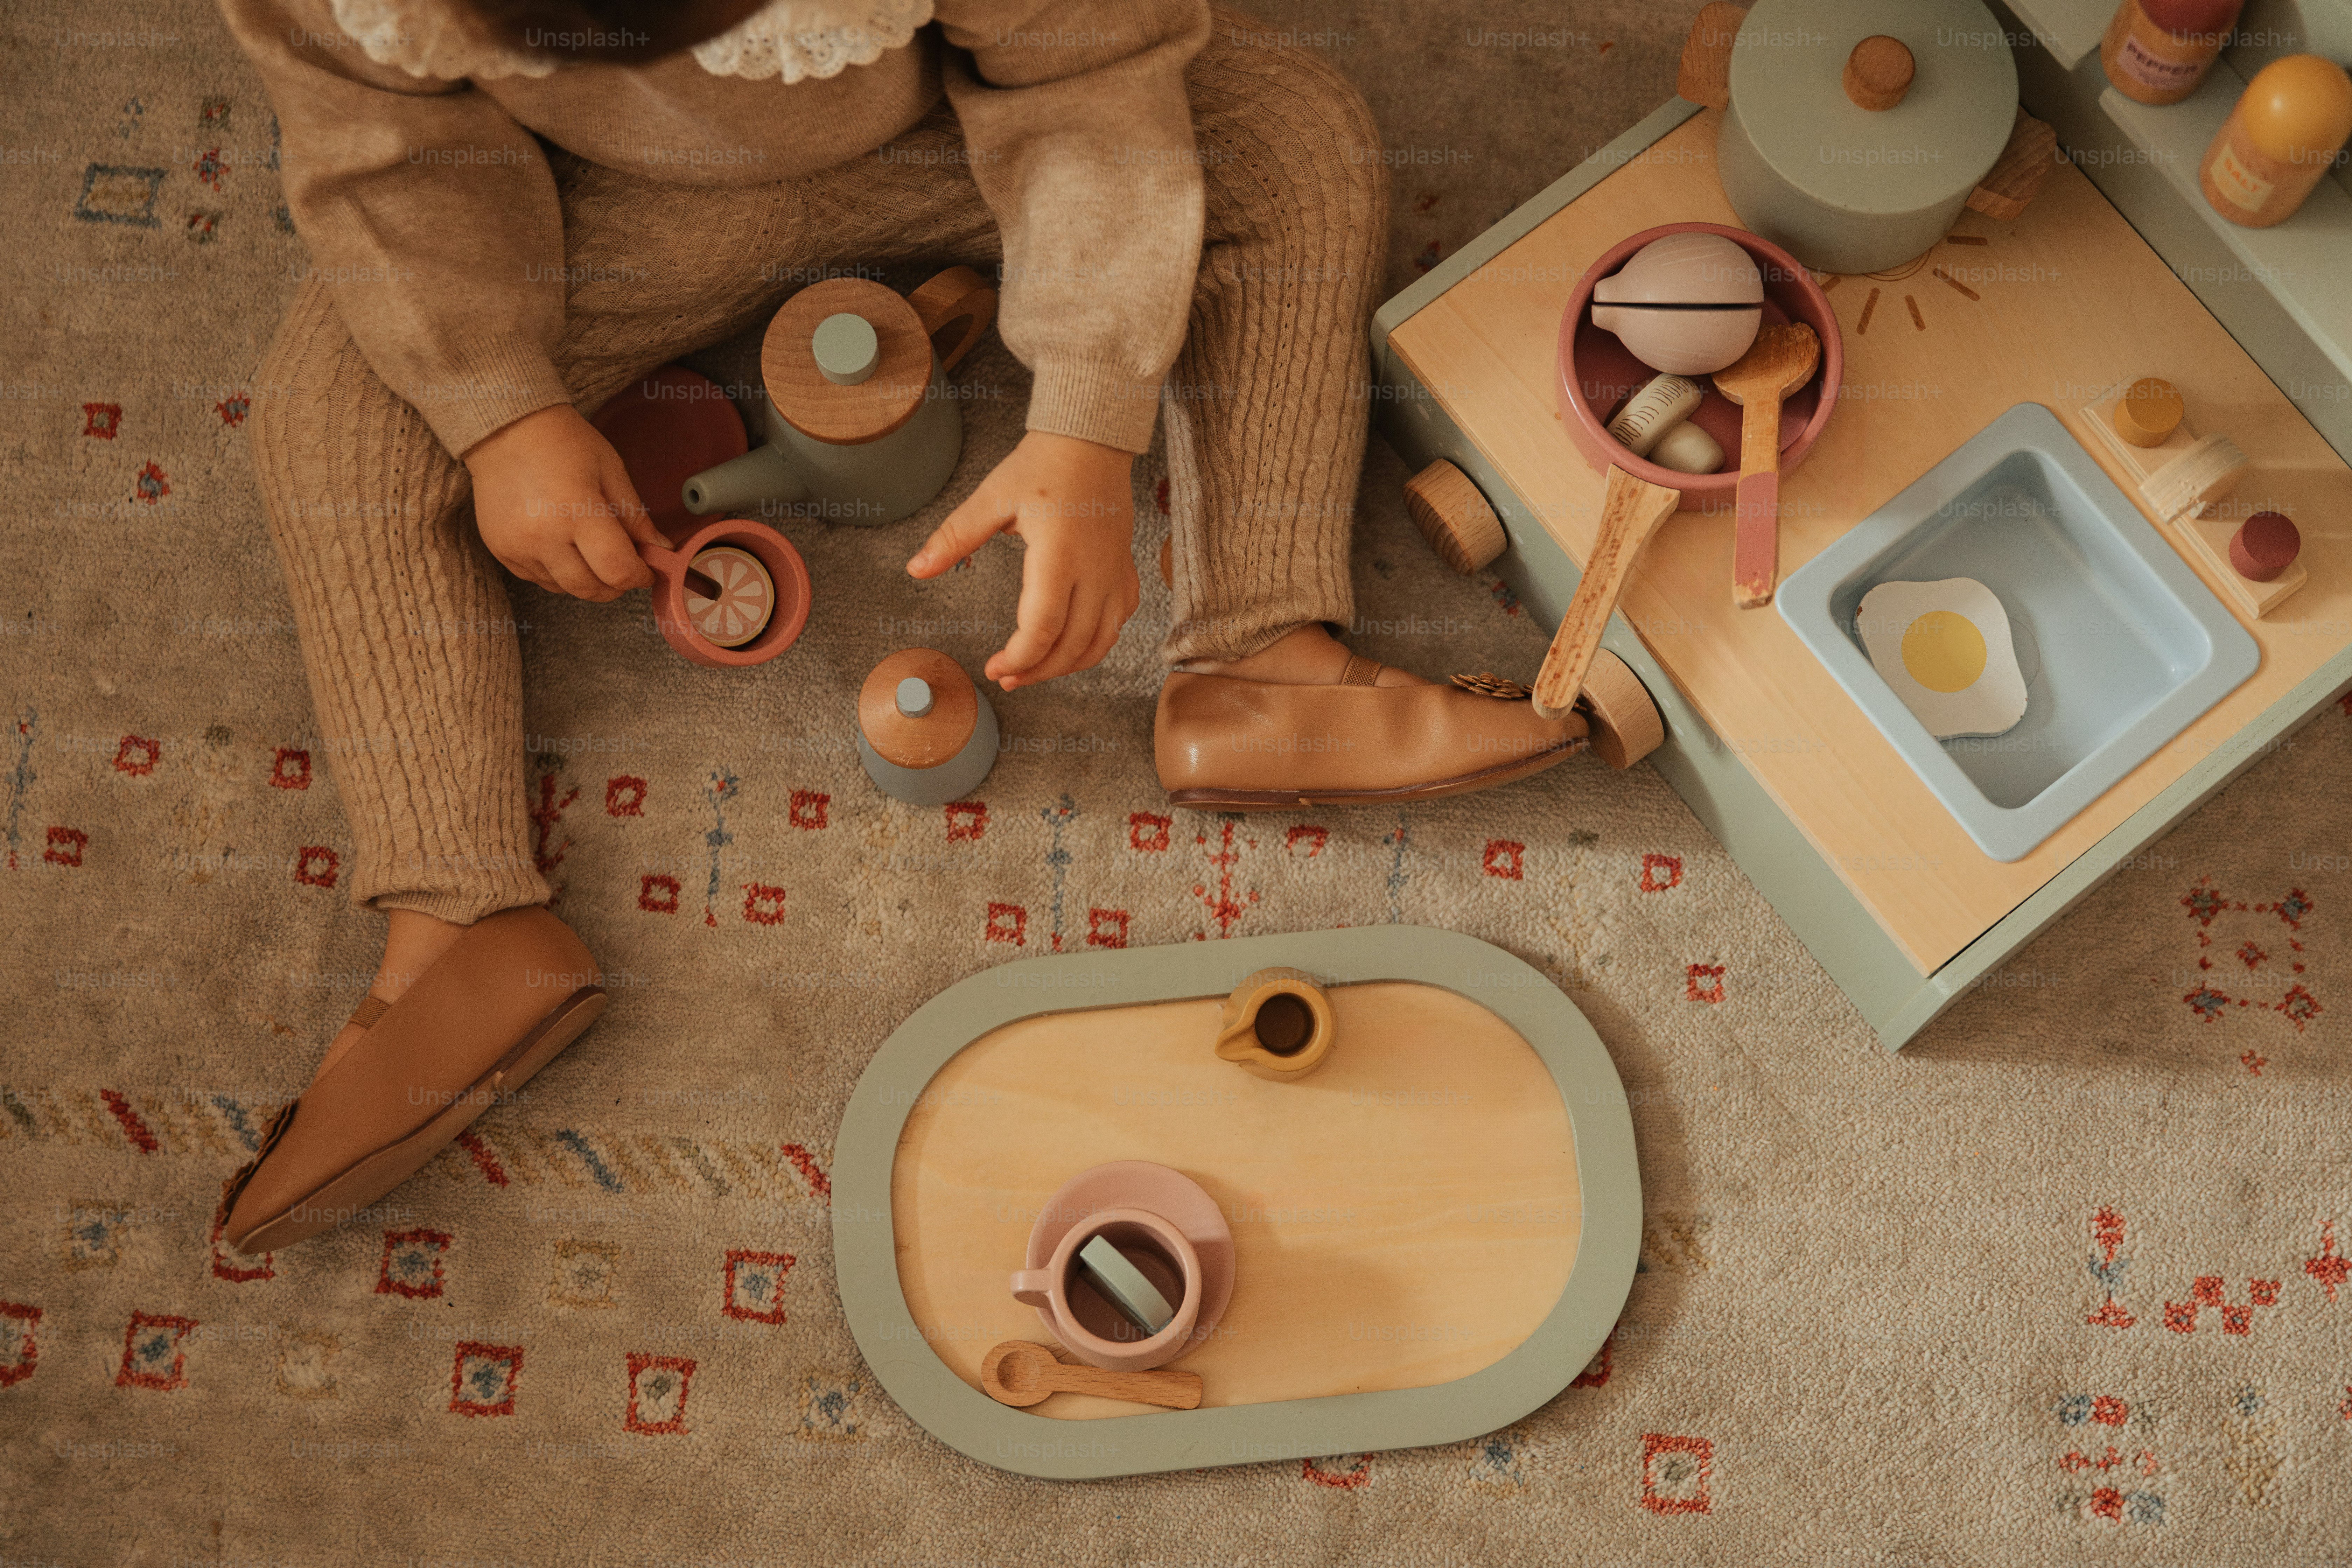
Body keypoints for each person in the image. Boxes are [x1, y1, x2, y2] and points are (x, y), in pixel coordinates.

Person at [215, 0, 1589, 1253]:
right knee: (333, 407)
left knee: (1286, 134)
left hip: (944, 116)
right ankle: (457, 919)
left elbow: (1095, 81)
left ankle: (1263, 651)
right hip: (579, 204)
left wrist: (1089, 422)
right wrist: (497, 406)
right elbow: (384, 142)